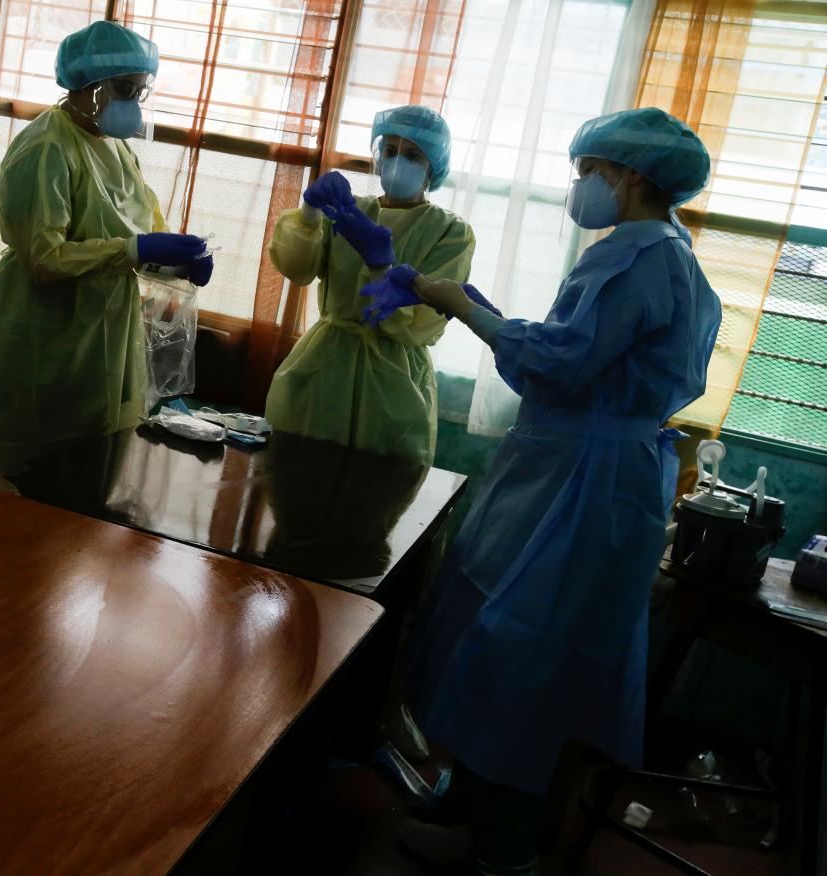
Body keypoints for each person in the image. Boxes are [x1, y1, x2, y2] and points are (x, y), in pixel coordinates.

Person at [363, 107, 720, 874]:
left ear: (629, 178)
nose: (580, 187)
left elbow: (559, 366)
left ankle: (499, 853)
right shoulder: (669, 256)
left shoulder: (631, 257)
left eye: (588, 172)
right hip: (584, 468)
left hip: (579, 481)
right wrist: (475, 307)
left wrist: (460, 305)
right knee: (490, 635)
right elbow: (576, 357)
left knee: (519, 661)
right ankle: (465, 802)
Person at [0, 21, 213, 487]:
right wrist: (135, 249)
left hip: (104, 327)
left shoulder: (115, 146)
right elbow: (45, 257)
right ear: (86, 84)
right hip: (46, 328)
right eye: (123, 89)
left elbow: (140, 226)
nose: (132, 104)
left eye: (139, 92)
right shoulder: (45, 148)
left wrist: (176, 258)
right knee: (30, 474)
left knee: (92, 465)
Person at [264, 105, 474, 466]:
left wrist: (382, 269)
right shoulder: (348, 212)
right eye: (389, 151)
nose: (397, 162)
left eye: (412, 155)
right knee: (296, 480)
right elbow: (298, 268)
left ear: (432, 167)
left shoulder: (450, 233)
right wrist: (310, 213)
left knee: (373, 493)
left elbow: (425, 321)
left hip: (394, 379)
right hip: (323, 365)